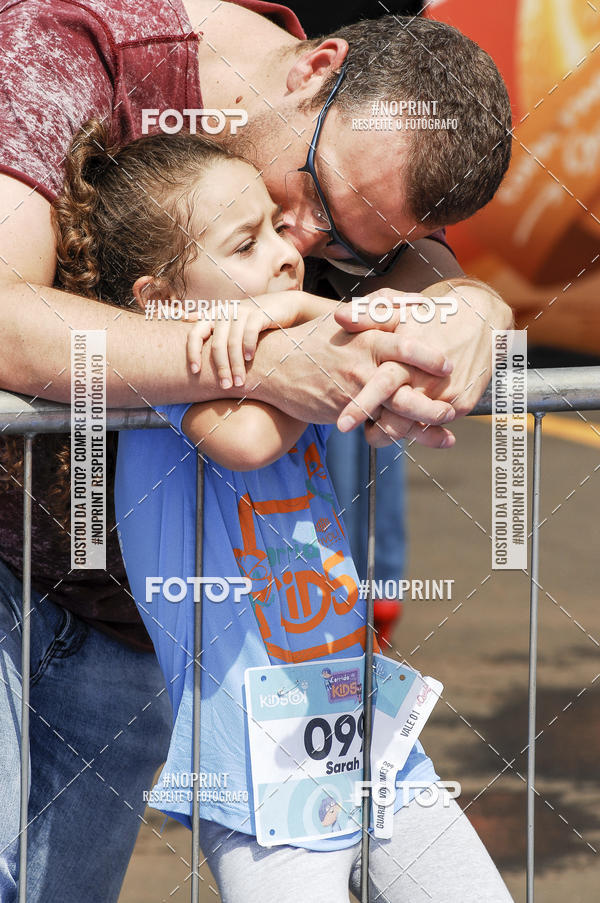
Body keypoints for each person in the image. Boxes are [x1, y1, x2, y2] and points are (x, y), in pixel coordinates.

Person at [0, 1, 513, 899]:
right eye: (311, 192)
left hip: (142, 639)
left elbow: (423, 270)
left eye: (348, 249)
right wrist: (269, 358)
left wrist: (473, 301)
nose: (302, 247)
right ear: (316, 69)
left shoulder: (339, 176)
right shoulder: (71, 45)